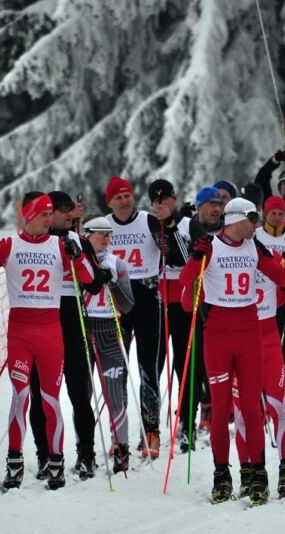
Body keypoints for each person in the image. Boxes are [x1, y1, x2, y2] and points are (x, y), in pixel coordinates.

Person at [0, 192, 94, 490]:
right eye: (44, 215)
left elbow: (87, 278)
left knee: (50, 399)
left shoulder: (59, 245)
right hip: (20, 333)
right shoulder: (10, 245)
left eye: (51, 215)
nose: (50, 220)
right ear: (29, 216)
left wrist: (77, 254)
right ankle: (14, 463)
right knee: (21, 397)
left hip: (50, 332)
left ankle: (56, 462)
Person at [179, 198, 285, 506]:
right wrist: (194, 258)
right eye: (251, 219)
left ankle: (258, 474)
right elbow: (185, 282)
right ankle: (221, 474)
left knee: (252, 408)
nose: (256, 225)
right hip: (217, 333)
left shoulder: (254, 248)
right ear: (235, 220)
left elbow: (284, 279)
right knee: (220, 408)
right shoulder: (211, 247)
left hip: (249, 332)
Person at [104, 176, 185, 459]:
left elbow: (178, 258)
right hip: (117, 303)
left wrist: (170, 224)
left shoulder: (149, 221)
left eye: (127, 196)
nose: (124, 201)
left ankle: (151, 431)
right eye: (118, 198)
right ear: (109, 203)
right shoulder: (104, 225)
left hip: (149, 300)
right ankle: (119, 433)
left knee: (148, 368)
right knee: (117, 370)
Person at [27, 190, 104, 481]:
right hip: (42, 314)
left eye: (69, 210)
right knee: (40, 392)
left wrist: (80, 258)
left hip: (72, 315)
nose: (66, 215)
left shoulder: (80, 241)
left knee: (79, 391)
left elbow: (95, 284)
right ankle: (44, 454)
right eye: (59, 210)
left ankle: (86, 454)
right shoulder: (37, 241)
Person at [146, 179, 207, 452]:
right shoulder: (149, 223)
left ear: (174, 198)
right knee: (153, 365)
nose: (162, 204)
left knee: (186, 364)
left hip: (185, 300)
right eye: (156, 200)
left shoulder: (188, 224)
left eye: (166, 198)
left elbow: (187, 260)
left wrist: (170, 226)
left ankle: (186, 422)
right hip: (158, 301)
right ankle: (151, 427)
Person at [81, 215, 135, 474]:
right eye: (99, 233)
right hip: (83, 330)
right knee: (83, 397)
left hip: (109, 332)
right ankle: (85, 451)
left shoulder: (118, 264)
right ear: (86, 235)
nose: (105, 238)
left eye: (109, 233)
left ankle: (122, 449)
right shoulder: (76, 262)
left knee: (115, 396)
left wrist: (113, 282)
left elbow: (127, 305)